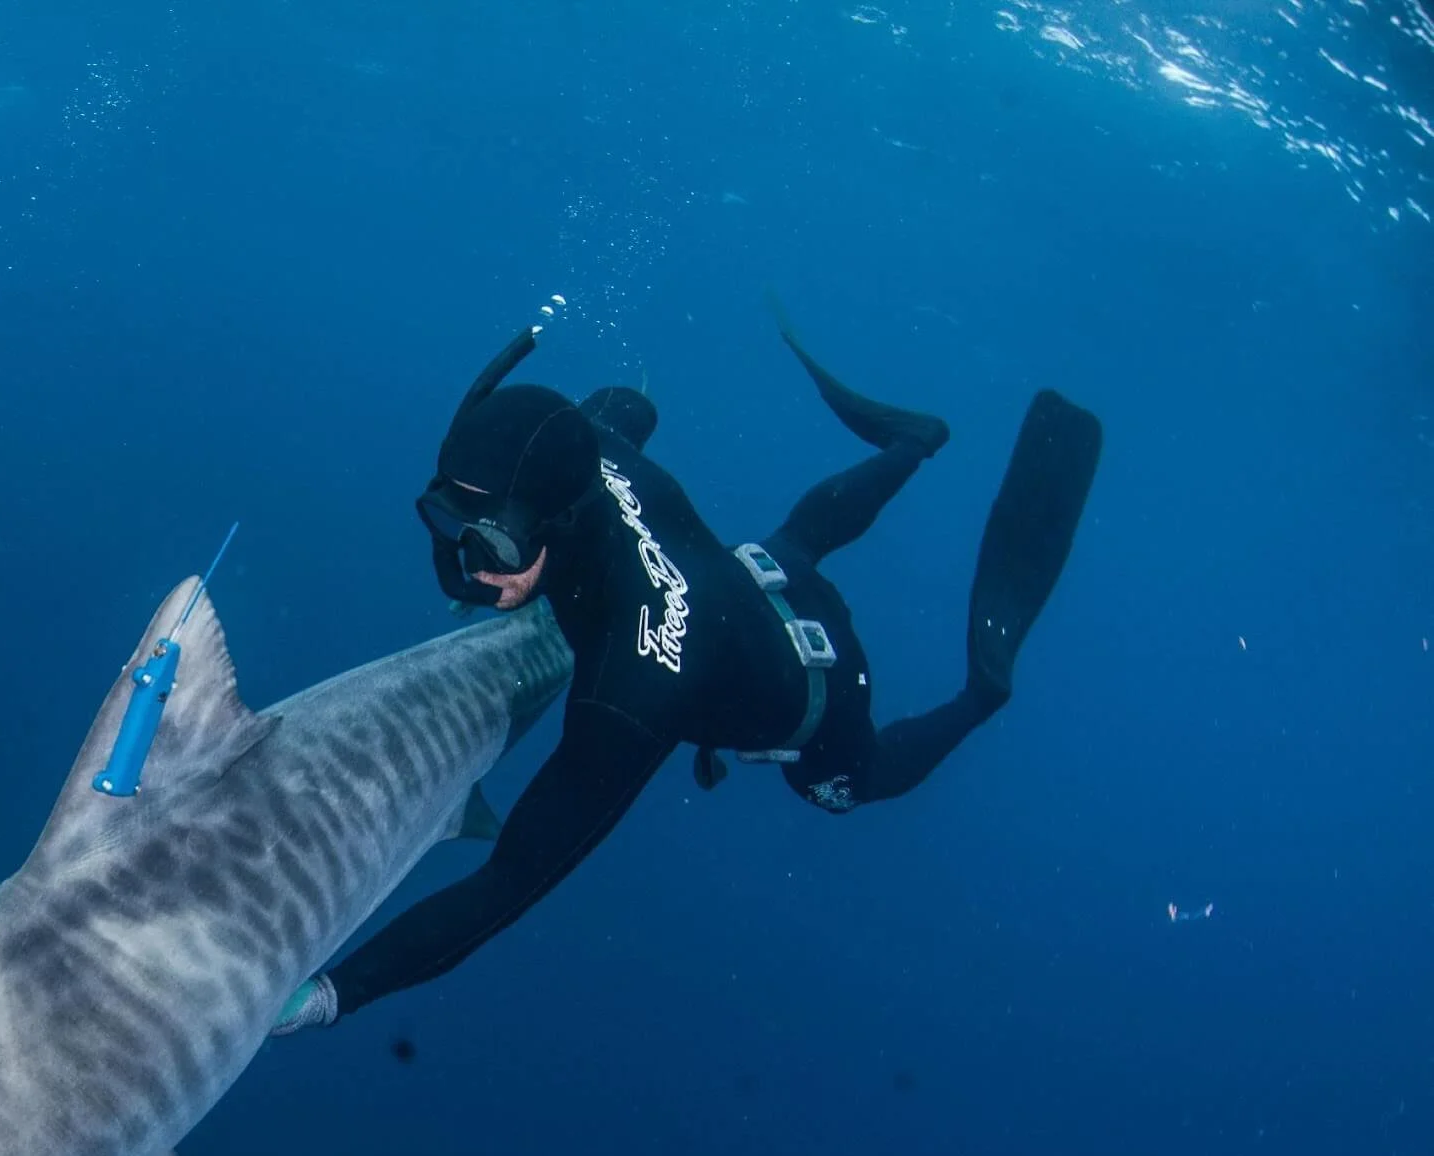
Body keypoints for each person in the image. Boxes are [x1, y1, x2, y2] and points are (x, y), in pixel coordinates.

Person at [272, 312, 1103, 1035]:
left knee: (850, 784)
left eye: (490, 550)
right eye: (447, 521)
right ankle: (913, 444)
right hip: (743, 579)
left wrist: (332, 994)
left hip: (810, 691)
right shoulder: (585, 439)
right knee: (793, 548)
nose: (465, 567)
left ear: (555, 522)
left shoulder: (637, 686)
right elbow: (627, 406)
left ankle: (983, 691)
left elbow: (510, 880)